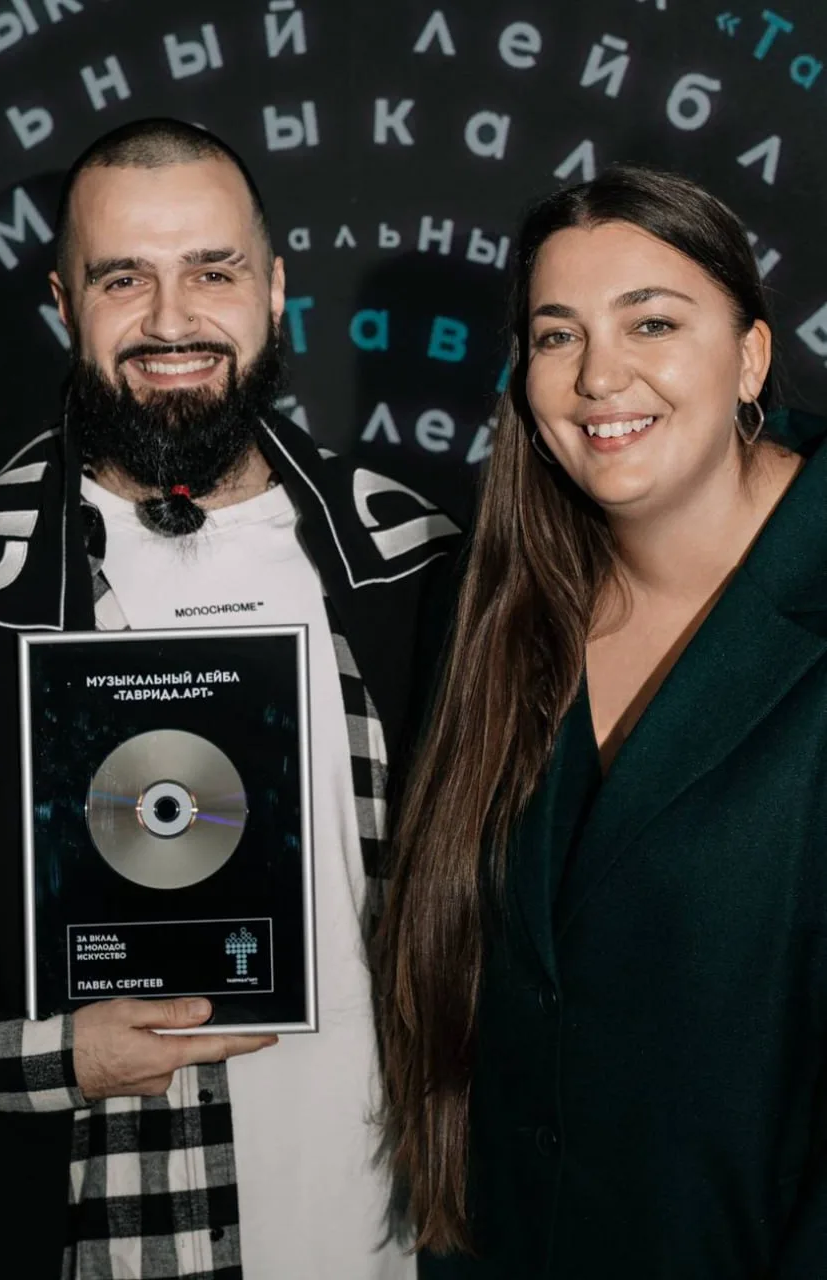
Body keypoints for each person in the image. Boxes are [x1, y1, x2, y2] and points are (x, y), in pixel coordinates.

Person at [0, 117, 459, 1280]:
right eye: (123, 277)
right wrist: (53, 1055)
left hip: (390, 1237)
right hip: (120, 1243)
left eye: (213, 270)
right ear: (63, 301)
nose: (171, 319)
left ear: (275, 288)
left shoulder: (413, 559)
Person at [378, 163, 827, 1278]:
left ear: (751, 356)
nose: (598, 376)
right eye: (557, 335)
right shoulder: (488, 608)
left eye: (652, 322)